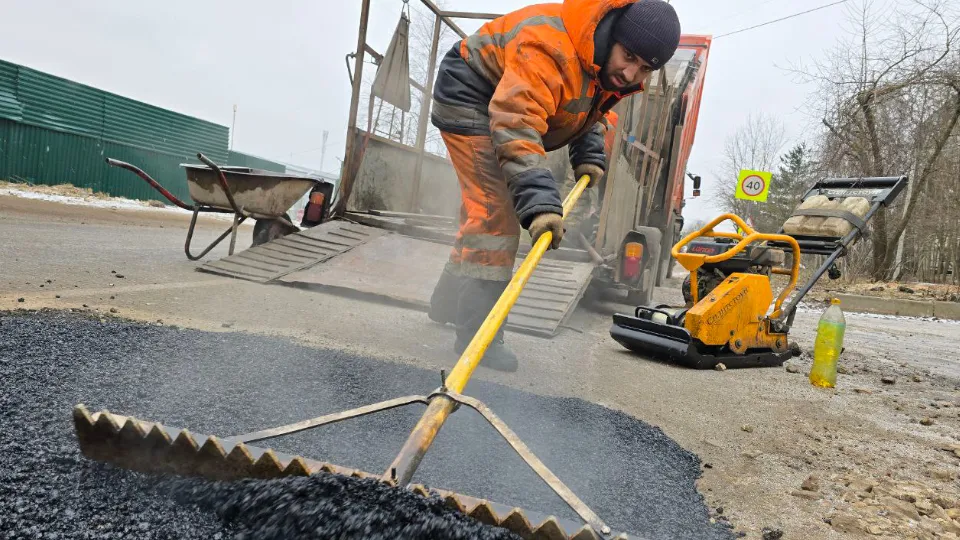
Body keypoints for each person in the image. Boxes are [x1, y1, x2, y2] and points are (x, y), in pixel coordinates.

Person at [427, 0, 682, 371]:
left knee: (483, 210)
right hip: (470, 95)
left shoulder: (599, 60)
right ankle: (476, 338)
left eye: (644, 68)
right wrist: (541, 205)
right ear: (612, 37)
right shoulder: (550, 47)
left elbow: (586, 109)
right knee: (495, 217)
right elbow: (516, 121)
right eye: (628, 57)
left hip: (500, 105)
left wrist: (589, 156)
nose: (630, 74)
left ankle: (447, 304)